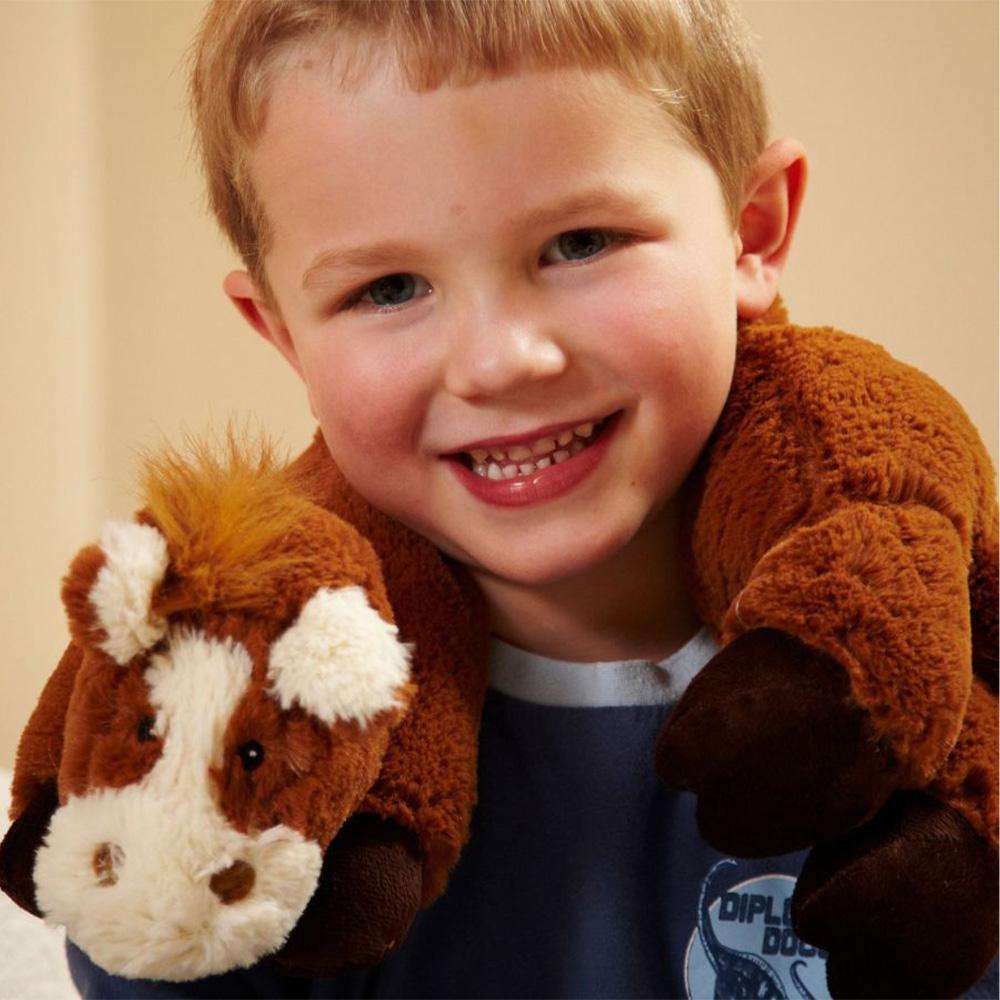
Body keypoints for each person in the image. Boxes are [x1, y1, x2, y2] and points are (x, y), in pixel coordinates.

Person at [64, 1, 998, 997]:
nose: (500, 360)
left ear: (752, 231)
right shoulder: (250, 740)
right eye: (388, 290)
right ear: (284, 334)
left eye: (581, 242)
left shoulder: (914, 658)